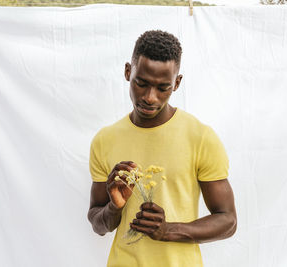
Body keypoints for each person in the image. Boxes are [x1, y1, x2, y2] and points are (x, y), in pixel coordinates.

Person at [87, 30, 237, 267]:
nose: (150, 97)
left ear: (176, 83)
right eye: (141, 83)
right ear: (128, 72)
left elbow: (228, 221)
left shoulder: (200, 137)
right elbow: (97, 223)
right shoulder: (104, 140)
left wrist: (168, 230)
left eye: (162, 88)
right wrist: (114, 208)